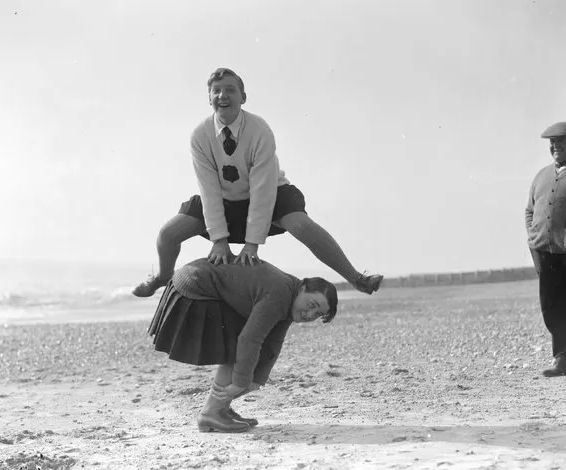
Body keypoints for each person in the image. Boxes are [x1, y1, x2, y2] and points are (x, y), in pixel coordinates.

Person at [133, 67, 382, 298]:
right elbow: (208, 189)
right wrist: (219, 240)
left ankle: (357, 278)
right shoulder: (200, 135)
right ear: (209, 99)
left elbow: (263, 190)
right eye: (216, 91)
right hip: (224, 199)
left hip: (270, 192)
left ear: (243, 97)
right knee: (167, 234)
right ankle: (163, 277)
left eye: (230, 90)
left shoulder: (259, 129)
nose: (223, 95)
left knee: (302, 226)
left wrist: (252, 246)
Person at [148, 258, 338, 432]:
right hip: (194, 286)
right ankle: (211, 413)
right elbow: (249, 340)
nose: (310, 314)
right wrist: (241, 382)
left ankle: (221, 409)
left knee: (244, 351)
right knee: (238, 344)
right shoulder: (280, 294)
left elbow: (274, 341)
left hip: (202, 285)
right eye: (312, 304)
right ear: (303, 288)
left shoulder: (290, 299)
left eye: (318, 314)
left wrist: (257, 380)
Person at [526, 121, 566, 377]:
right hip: (546, 252)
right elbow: (529, 211)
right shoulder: (541, 176)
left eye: (562, 141)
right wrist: (533, 239)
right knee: (552, 307)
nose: (556, 146)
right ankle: (564, 361)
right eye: (552, 142)